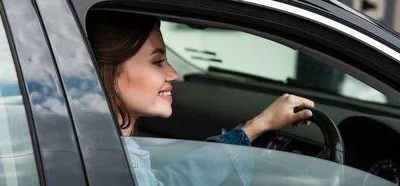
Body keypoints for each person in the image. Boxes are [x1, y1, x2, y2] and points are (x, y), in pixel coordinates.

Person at [87, 10, 315, 186]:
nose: (174, 75)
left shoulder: (103, 155)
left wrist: (258, 126)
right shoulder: (115, 167)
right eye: (158, 62)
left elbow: (174, 181)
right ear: (109, 72)